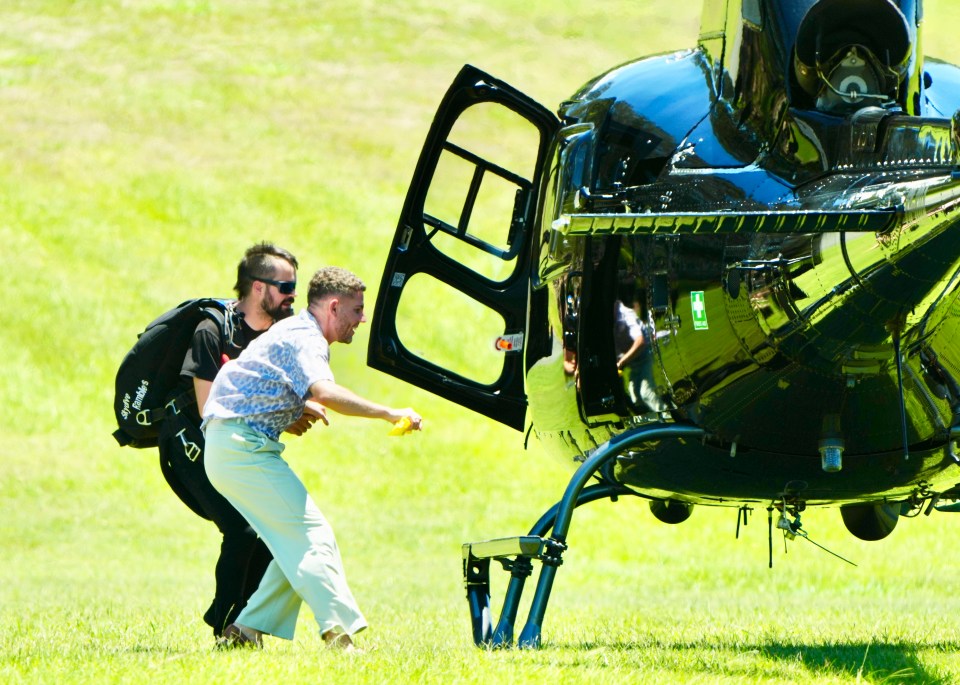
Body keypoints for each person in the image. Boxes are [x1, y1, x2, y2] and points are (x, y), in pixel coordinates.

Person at [201, 266, 423, 650]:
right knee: (314, 536)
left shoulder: (293, 330)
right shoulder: (307, 338)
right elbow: (326, 391)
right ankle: (340, 636)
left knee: (295, 543)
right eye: (356, 310)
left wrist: (292, 410)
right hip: (241, 449)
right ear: (334, 307)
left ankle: (245, 631)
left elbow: (259, 380)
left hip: (233, 447)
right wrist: (389, 412)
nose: (362, 319)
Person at [157, 241, 303, 640]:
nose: (294, 295)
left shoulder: (278, 337)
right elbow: (208, 409)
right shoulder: (212, 330)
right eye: (286, 285)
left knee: (270, 528)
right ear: (258, 287)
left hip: (233, 442)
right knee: (241, 529)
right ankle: (226, 627)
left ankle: (243, 624)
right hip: (190, 434)